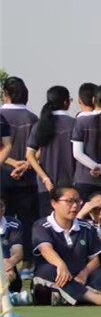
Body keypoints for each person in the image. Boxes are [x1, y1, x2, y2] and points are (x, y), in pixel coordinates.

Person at [29, 186, 101, 306]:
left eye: (77, 201)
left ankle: (68, 296)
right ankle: (96, 299)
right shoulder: (41, 225)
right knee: (46, 270)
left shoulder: (86, 227)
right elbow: (46, 250)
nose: (75, 206)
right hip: (57, 276)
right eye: (69, 201)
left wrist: (84, 273)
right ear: (54, 204)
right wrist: (60, 265)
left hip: (81, 279)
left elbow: (96, 257)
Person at [1, 78, 39, 259]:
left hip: (3, 177)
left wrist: (11, 163)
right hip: (28, 179)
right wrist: (25, 164)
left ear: (5, 94)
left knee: (4, 222)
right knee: (27, 222)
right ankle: (27, 263)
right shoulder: (33, 118)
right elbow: (39, 149)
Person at [25, 86, 76, 218]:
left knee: (47, 225)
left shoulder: (40, 125)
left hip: (45, 186)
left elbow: (29, 156)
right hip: (70, 184)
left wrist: (45, 178)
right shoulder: (74, 124)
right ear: (66, 102)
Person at [71, 83, 101, 202]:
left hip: (85, 180)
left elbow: (77, 153)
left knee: (82, 219)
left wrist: (99, 169)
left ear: (94, 100)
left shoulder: (82, 121)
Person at [1, 196, 25, 298]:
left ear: (3, 209)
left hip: (7, 269)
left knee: (10, 276)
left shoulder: (14, 224)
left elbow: (18, 253)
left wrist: (8, 264)